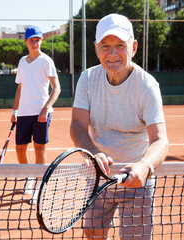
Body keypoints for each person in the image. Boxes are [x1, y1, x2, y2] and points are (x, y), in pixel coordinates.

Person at [70, 14, 169, 239]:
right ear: (96, 49)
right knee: (93, 234)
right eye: (105, 46)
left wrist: (144, 167)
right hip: (98, 177)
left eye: (120, 46)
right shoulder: (87, 79)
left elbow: (161, 140)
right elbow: (77, 124)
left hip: (136, 181)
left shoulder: (147, 85)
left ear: (133, 47)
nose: (112, 53)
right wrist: (94, 153)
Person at [11, 26, 61, 199]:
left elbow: (57, 88)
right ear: (25, 41)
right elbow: (20, 88)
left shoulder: (46, 61)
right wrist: (15, 110)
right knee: (19, 149)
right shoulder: (22, 62)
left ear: (41, 41)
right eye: (31, 40)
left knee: (40, 150)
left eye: (37, 39)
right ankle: (29, 176)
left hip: (41, 112)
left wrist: (45, 108)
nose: (35, 43)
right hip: (23, 113)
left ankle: (40, 185)